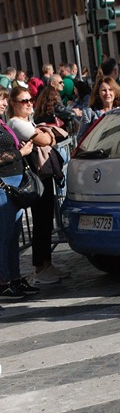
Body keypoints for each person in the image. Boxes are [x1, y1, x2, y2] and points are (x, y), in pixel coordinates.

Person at [7, 86, 69, 284]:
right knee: (41, 221)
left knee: (46, 220)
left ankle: (47, 264)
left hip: (43, 174)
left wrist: (46, 136)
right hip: (35, 176)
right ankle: (40, 267)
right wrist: (48, 135)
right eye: (23, 101)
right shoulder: (16, 123)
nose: (28, 104)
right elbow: (44, 139)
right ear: (13, 104)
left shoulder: (27, 121)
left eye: (30, 99)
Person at [0, 87, 39, 299]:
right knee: (4, 237)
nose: (4, 104)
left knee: (13, 236)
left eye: (5, 100)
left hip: (14, 184)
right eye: (1, 100)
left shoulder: (3, 124)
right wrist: (19, 152)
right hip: (3, 185)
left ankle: (14, 278)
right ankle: (3, 282)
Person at [76, 75, 120, 142]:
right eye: (104, 90)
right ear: (98, 93)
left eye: (110, 89)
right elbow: (81, 139)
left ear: (115, 92)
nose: (107, 93)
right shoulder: (90, 113)